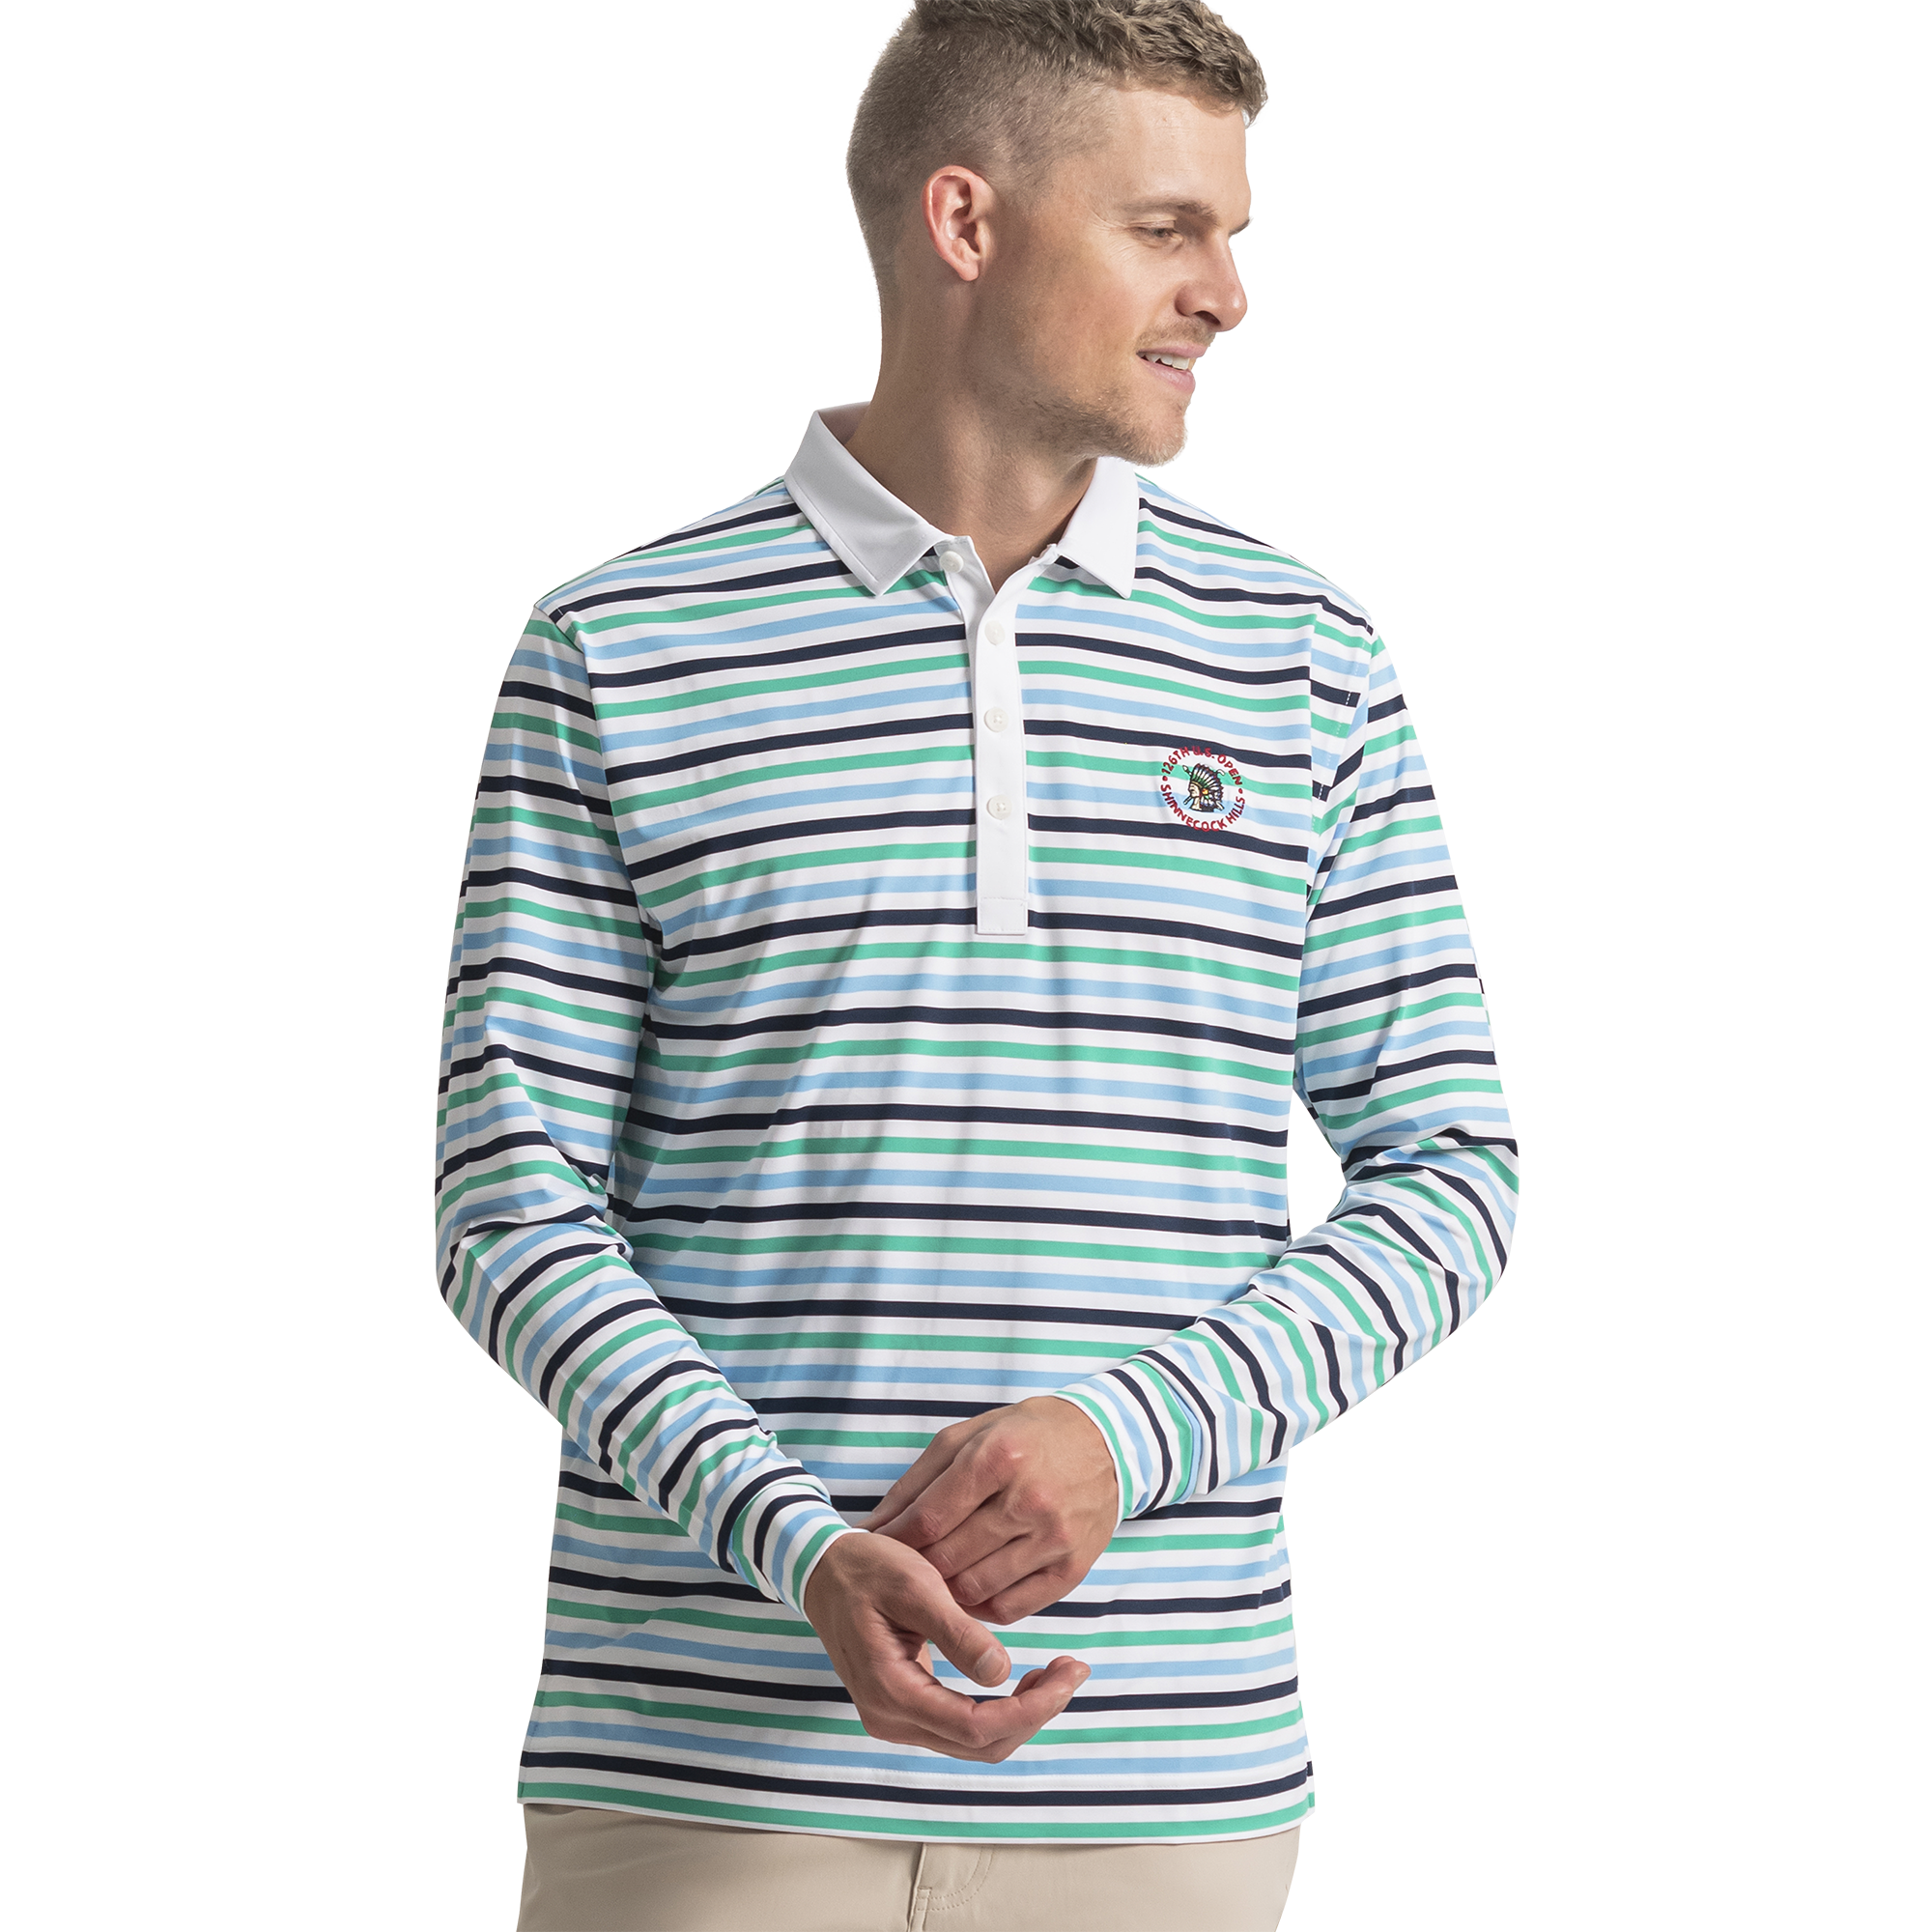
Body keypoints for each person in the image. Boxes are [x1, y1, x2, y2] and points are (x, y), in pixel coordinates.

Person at [436, 3, 1518, 1927]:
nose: (1223, 293)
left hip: (1166, 1780)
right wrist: (793, 1546)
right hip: (701, 1781)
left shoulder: (1310, 669)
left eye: (1229, 236)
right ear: (965, 222)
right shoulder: (621, 653)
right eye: (1167, 229)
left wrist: (1126, 1434)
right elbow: (509, 1211)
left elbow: (1453, 1178)